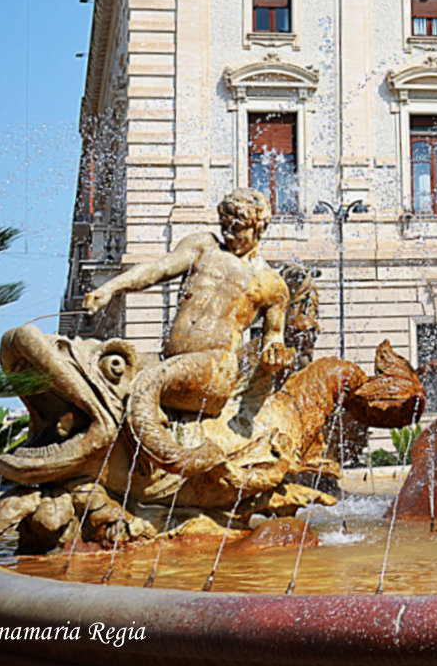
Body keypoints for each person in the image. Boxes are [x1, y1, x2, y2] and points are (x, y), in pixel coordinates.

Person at [82, 188, 295, 476]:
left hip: (215, 368)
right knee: (100, 365)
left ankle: (169, 460)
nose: (230, 235)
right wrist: (111, 288)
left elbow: (274, 338)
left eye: (238, 229)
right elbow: (157, 269)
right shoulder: (202, 246)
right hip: (168, 360)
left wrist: (274, 356)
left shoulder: (271, 283)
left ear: (258, 228)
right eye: (225, 227)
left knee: (151, 380)